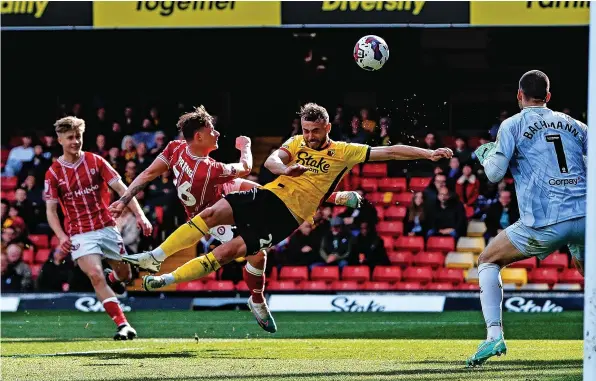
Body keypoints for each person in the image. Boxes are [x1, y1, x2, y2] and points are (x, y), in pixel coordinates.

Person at [123, 102, 451, 292]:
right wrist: (284, 170)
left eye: (315, 131)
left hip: (288, 217)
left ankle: (169, 278)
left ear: (327, 127)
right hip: (269, 195)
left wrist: (429, 152)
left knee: (228, 252)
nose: (310, 136)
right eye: (306, 130)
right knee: (209, 215)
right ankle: (156, 256)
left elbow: (391, 152)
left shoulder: (345, 152)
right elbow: (271, 161)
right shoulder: (295, 143)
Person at [109, 106, 364, 333]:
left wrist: (123, 199)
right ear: (198, 136)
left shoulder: (175, 148)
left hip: (225, 194)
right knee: (251, 253)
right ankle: (175, 279)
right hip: (215, 216)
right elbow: (245, 166)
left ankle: (254, 298)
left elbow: (147, 174)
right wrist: (246, 148)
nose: (218, 134)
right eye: (212, 130)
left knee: (271, 193)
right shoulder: (211, 169)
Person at [466, 70, 587, 367]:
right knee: (588, 271)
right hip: (586, 215)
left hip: (545, 221)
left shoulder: (513, 124)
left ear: (519, 95)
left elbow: (495, 175)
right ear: (548, 96)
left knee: (488, 260)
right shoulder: (575, 124)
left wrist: (486, 154)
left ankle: (494, 335)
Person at [44, 116, 152, 340]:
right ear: (60, 140)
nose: (75, 141)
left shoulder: (96, 161)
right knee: (95, 275)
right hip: (80, 233)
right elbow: (51, 210)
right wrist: (61, 235)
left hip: (106, 227)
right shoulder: (53, 173)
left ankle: (113, 278)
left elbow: (123, 189)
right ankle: (123, 325)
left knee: (125, 275)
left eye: (78, 137)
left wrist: (140, 216)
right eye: (70, 137)